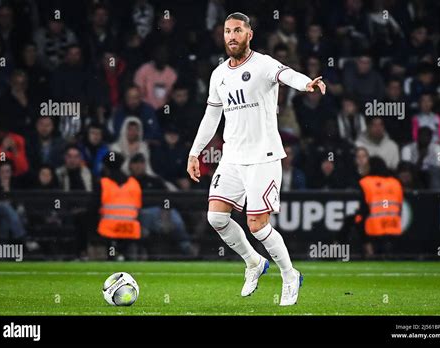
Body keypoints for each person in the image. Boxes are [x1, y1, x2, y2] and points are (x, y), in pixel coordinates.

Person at [187, 13, 326, 306]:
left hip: (263, 157)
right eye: (227, 31)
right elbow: (212, 115)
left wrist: (305, 85)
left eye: (238, 30)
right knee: (216, 217)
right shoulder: (219, 74)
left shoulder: (263, 64)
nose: (232, 36)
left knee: (258, 226)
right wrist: (194, 152)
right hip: (232, 158)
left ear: (249, 34)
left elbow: (286, 74)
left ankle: (290, 275)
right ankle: (253, 261)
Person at [129, 154, 197, 256]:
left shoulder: (154, 180)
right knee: (147, 215)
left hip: (160, 214)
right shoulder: (128, 182)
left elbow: (167, 199)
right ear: (130, 166)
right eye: (135, 163)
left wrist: (166, 214)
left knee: (174, 217)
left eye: (141, 163)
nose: (138, 166)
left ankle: (187, 247)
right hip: (139, 214)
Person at [355, 156, 403, 258]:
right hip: (393, 228)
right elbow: (399, 207)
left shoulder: (366, 183)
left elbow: (363, 210)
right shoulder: (395, 183)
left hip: (374, 230)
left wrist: (364, 239)